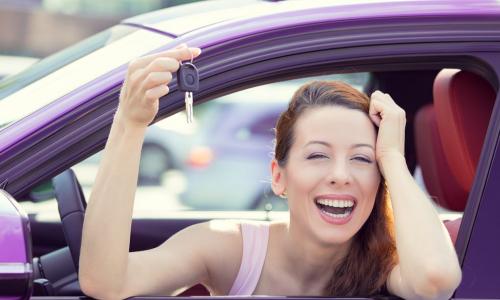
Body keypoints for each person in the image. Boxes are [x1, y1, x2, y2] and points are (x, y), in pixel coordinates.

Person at [79, 44, 462, 299]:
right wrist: (130, 125)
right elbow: (107, 282)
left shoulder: (388, 263)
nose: (341, 175)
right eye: (317, 156)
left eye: (362, 159)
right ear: (279, 176)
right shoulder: (232, 249)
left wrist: (393, 157)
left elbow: (436, 279)